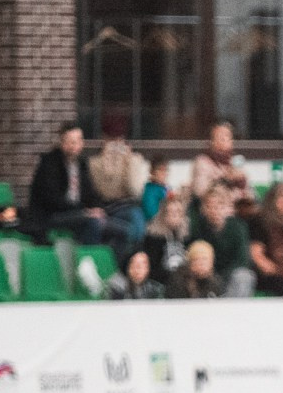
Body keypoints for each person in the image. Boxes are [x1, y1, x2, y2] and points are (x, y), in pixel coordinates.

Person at [27, 123, 108, 245]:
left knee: (124, 231)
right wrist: (84, 211)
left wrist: (98, 208)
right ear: (62, 143)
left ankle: (108, 261)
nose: (75, 145)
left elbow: (91, 192)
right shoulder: (49, 164)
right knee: (92, 223)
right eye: (71, 142)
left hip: (78, 213)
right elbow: (52, 199)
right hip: (52, 215)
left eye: (79, 140)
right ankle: (86, 261)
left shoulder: (81, 164)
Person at [89, 114, 150, 252]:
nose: (116, 144)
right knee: (128, 229)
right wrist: (106, 163)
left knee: (136, 224)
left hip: (130, 205)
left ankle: (133, 263)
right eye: (112, 139)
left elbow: (135, 189)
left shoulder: (134, 159)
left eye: (119, 139)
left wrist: (129, 162)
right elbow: (104, 190)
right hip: (109, 208)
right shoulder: (95, 162)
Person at [190, 185, 257, 299]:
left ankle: (231, 312)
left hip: (230, 276)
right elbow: (195, 255)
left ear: (227, 208)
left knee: (244, 276)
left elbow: (242, 260)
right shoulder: (198, 229)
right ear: (204, 209)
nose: (214, 211)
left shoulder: (238, 227)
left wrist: (221, 276)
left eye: (218, 206)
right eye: (210, 206)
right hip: (206, 275)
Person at [189, 119, 252, 207]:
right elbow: (200, 191)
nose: (225, 139)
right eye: (220, 136)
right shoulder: (203, 162)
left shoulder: (235, 162)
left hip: (237, 211)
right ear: (212, 141)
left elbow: (250, 195)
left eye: (228, 136)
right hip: (213, 210)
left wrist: (242, 183)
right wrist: (225, 180)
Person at [143, 192, 192, 282]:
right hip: (160, 280)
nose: (174, 216)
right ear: (163, 215)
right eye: (171, 212)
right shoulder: (153, 238)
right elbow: (152, 267)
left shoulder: (187, 236)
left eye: (178, 212)